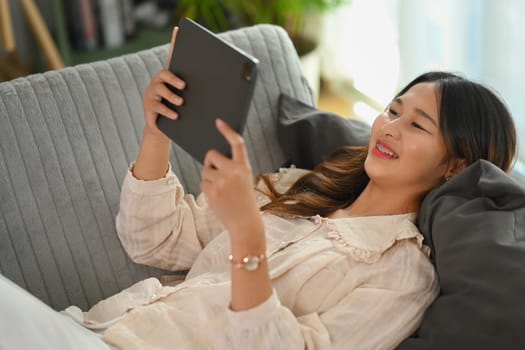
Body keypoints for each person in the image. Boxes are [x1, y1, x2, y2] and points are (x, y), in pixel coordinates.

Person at [0, 27, 517, 350]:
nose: (388, 127)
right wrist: (157, 132)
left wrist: (249, 242)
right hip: (97, 328)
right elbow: (153, 240)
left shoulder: (402, 274)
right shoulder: (298, 186)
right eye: (393, 109)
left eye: (417, 126)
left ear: (455, 167)